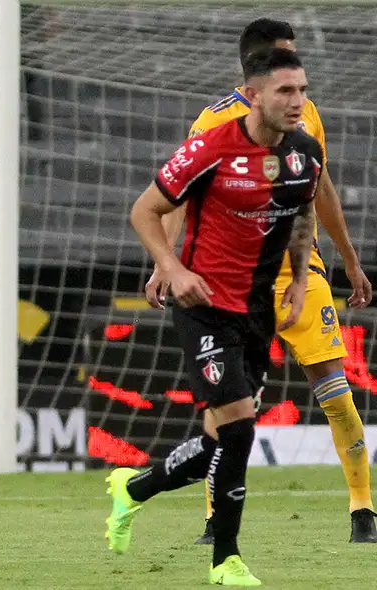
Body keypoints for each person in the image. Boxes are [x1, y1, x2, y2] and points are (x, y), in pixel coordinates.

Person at [147, 18, 376, 545]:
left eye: (298, 77)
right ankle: (214, 521)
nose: (295, 85)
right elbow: (179, 196)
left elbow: (322, 190)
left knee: (336, 391)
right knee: (230, 408)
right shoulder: (211, 126)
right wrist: (167, 264)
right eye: (284, 68)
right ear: (255, 75)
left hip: (299, 271)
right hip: (230, 281)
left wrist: (349, 259)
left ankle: (363, 511)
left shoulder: (306, 116)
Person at [109, 47, 321, 586]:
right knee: (241, 430)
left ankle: (134, 489)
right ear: (253, 95)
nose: (297, 101)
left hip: (257, 311)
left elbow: (302, 216)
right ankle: (225, 559)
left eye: (301, 90)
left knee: (218, 441)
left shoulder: (305, 154)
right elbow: (144, 211)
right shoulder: (210, 147)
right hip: (202, 307)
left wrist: (298, 278)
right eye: (285, 91)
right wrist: (172, 269)